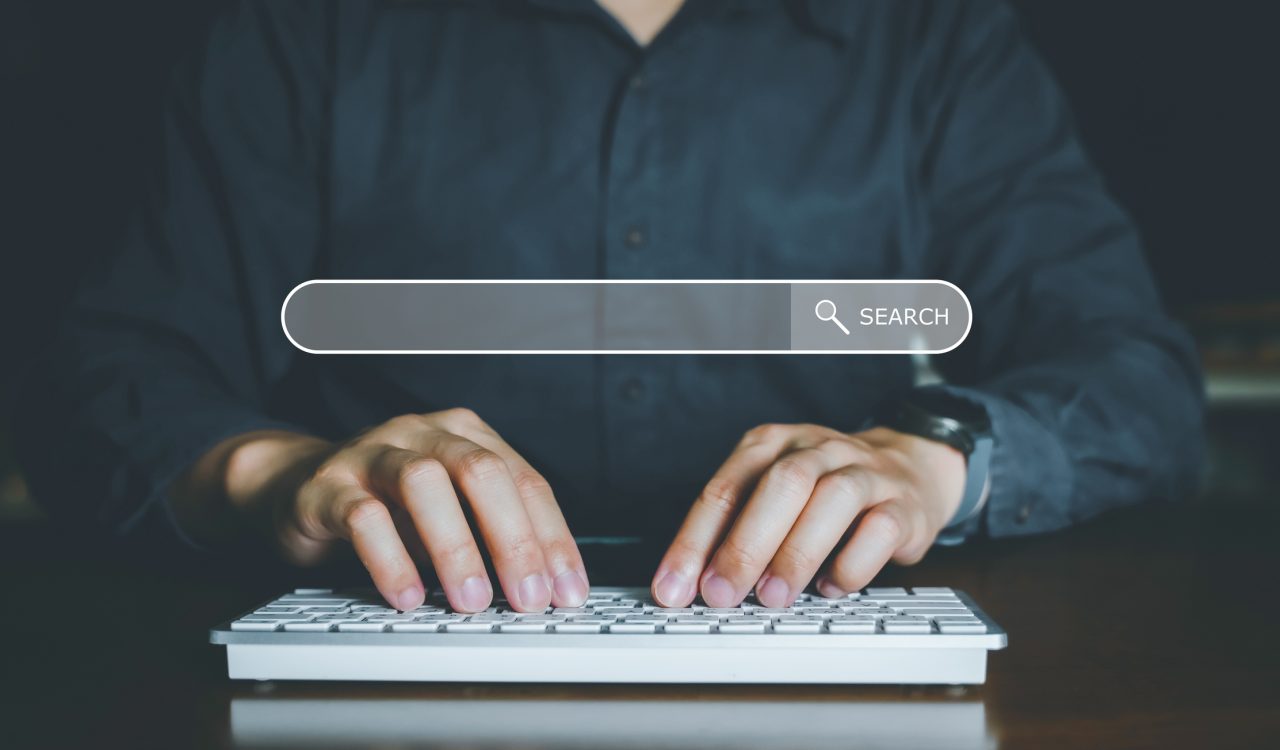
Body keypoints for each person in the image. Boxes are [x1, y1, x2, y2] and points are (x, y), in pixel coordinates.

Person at [14, 0, 1203, 614]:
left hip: (818, 642)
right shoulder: (309, 27)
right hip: (379, 630)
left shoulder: (933, 35)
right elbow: (108, 376)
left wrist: (926, 465)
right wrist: (277, 478)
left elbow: (1135, 376)